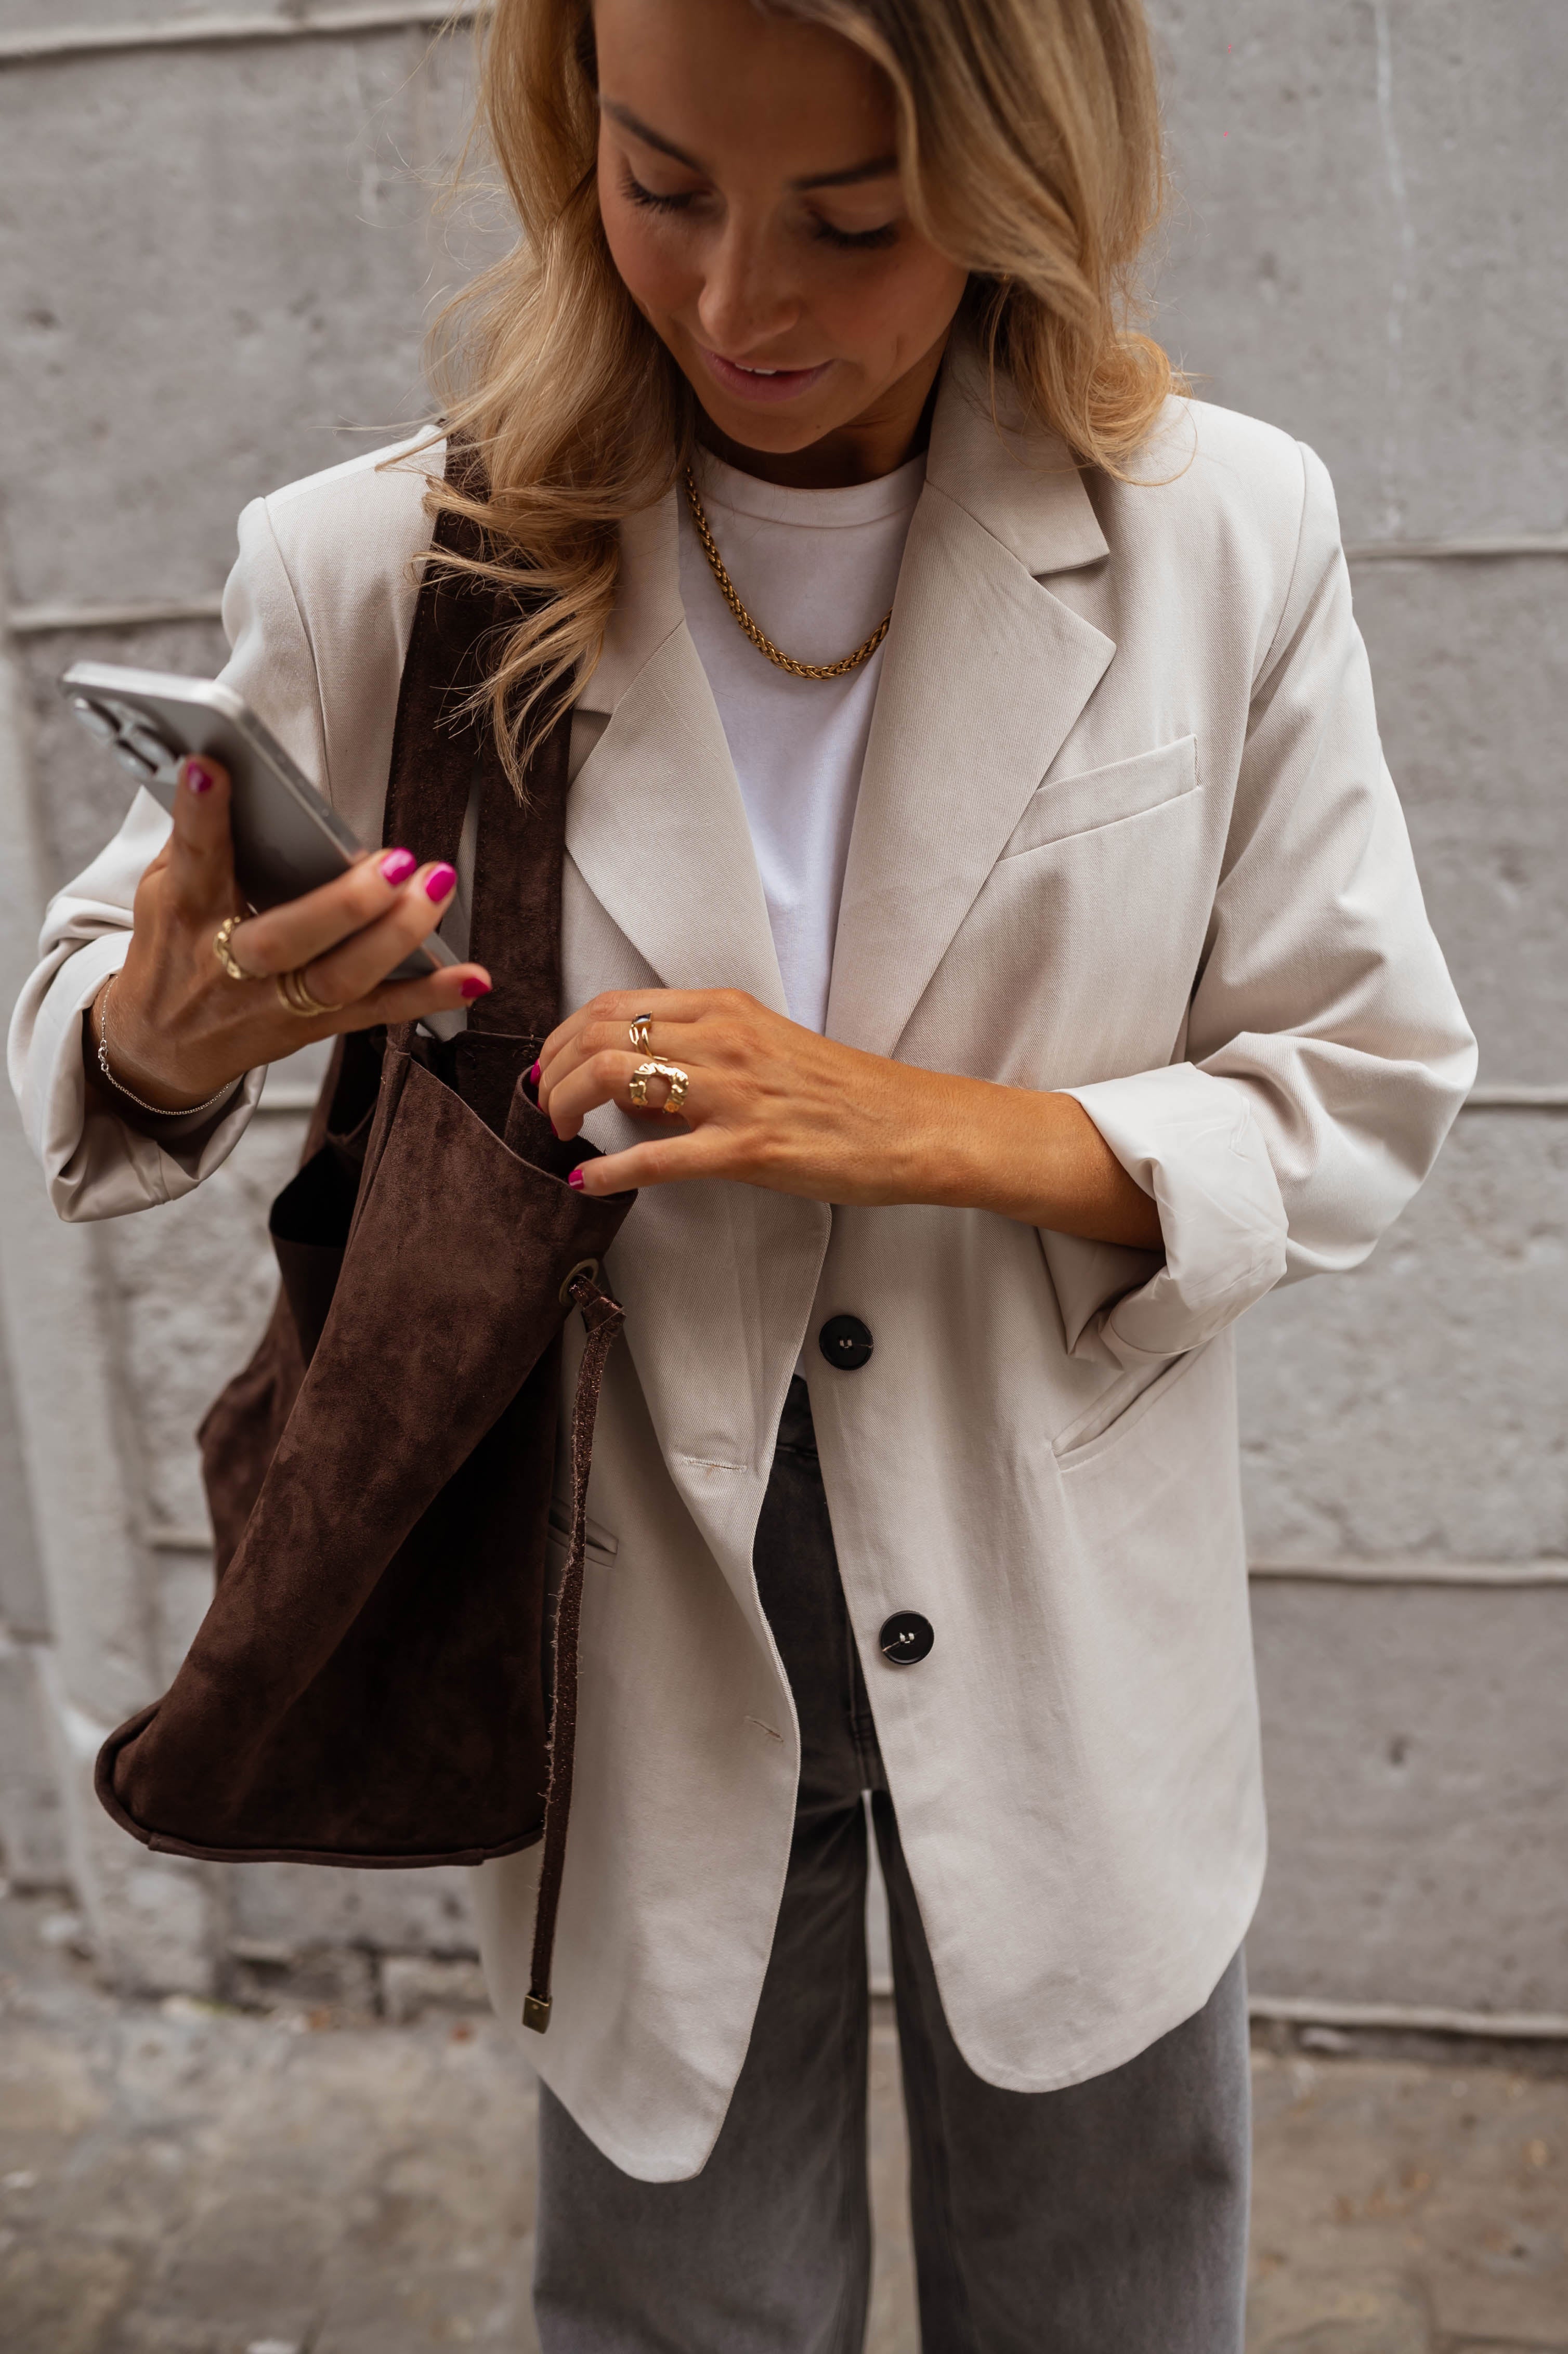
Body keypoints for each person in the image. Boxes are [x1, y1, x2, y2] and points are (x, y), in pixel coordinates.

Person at [10, 0, 1475, 2344]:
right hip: (613, 1614)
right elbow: (104, 992)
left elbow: (1364, 1072)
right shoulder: (398, 555)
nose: (738, 305)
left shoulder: (1217, 535)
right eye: (662, 182)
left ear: (1019, 173)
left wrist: (937, 1128)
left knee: (1113, 2283)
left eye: (854, 220)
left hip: (1060, 1603)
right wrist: (166, 1023)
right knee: (674, 2295)